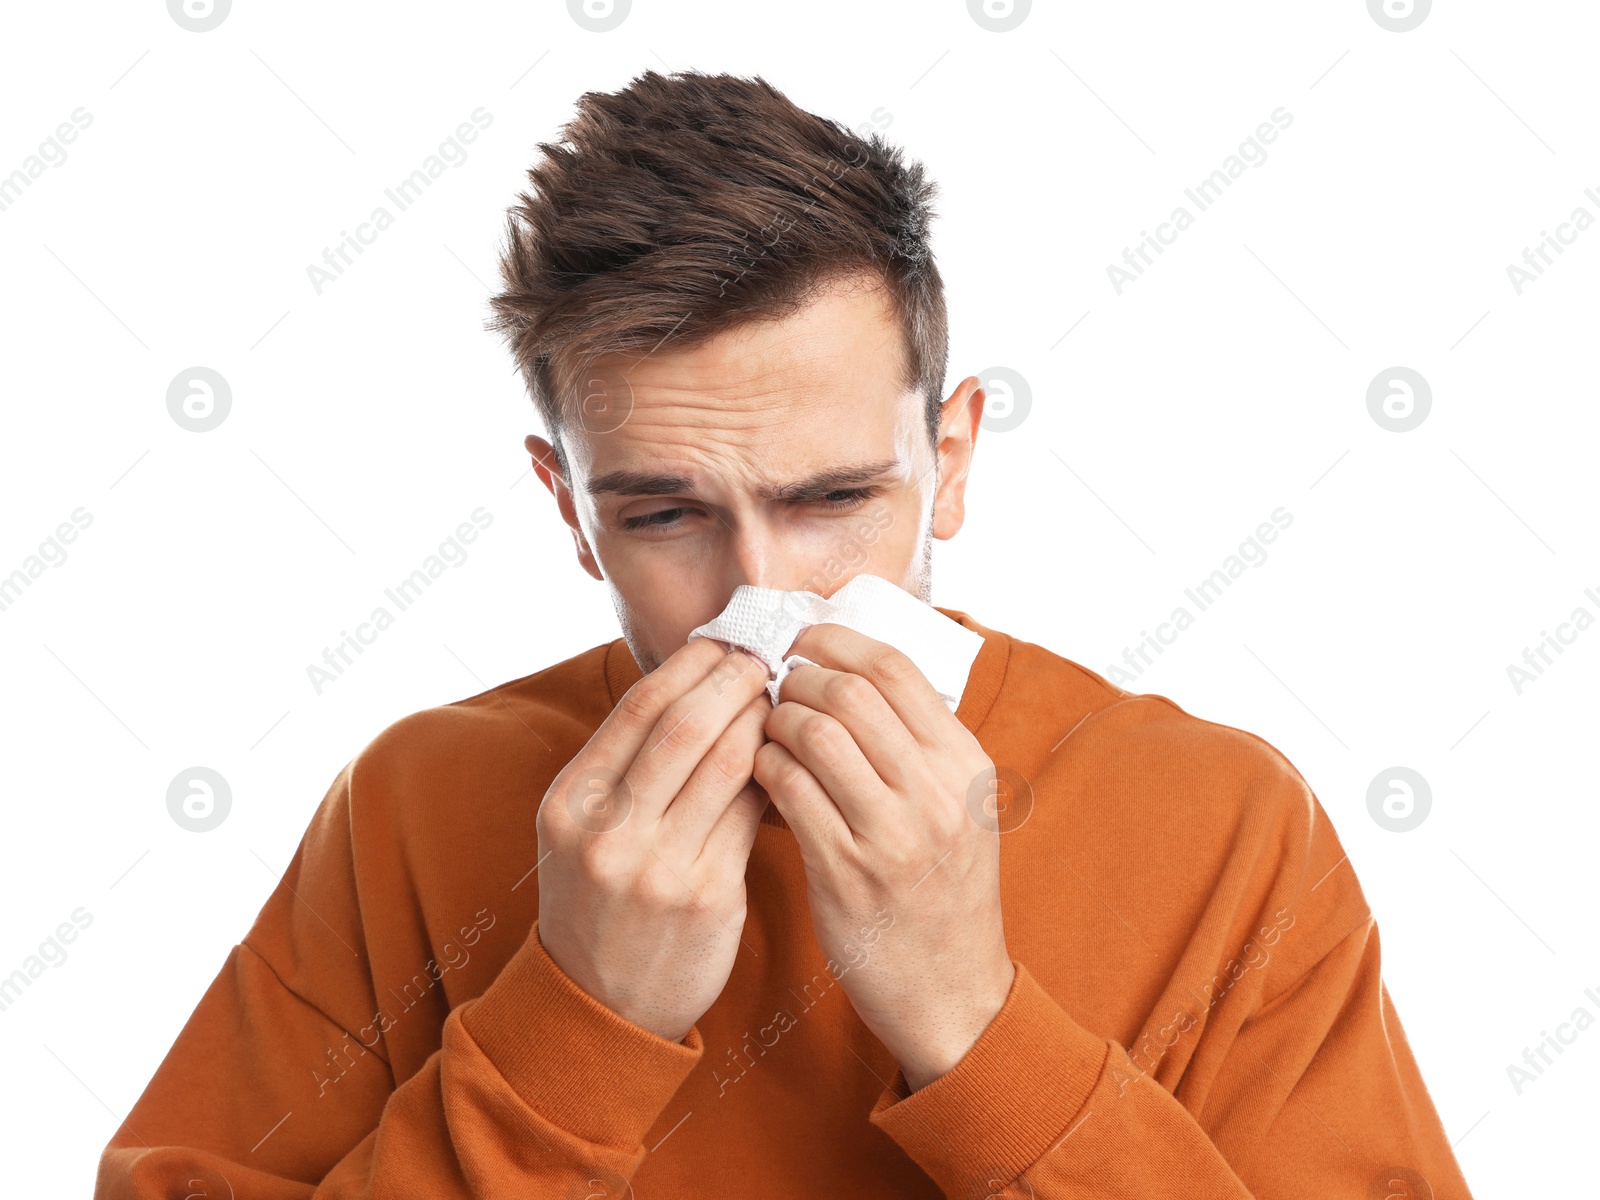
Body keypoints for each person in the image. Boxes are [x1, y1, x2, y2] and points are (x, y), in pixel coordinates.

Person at [97, 69, 1474, 1199]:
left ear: (952, 455)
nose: (770, 599)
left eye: (831, 499)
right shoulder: (415, 805)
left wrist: (978, 1028)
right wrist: (574, 1025)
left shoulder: (1220, 821)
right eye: (664, 517)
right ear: (569, 511)